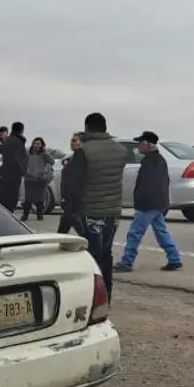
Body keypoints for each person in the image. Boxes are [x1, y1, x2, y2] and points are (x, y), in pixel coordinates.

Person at [69, 112, 129, 302]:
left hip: (91, 211)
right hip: (113, 211)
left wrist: (72, 209)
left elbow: (76, 184)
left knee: (93, 255)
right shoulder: (120, 150)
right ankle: (108, 293)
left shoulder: (84, 151)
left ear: (88, 128)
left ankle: (94, 296)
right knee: (106, 253)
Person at [115, 131, 183, 272]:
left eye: (140, 143)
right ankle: (174, 257)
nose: (138, 147)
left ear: (146, 143)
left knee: (135, 233)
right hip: (159, 202)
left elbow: (147, 185)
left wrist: (139, 201)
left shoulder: (149, 162)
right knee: (161, 231)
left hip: (148, 203)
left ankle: (127, 262)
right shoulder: (160, 160)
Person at [0, 121, 28, 212]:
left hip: (3, 175)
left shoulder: (7, 141)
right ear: (22, 130)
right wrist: (21, 171)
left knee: (4, 198)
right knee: (11, 198)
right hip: (12, 175)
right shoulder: (17, 142)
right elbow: (16, 159)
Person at [58, 132, 87, 236]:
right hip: (70, 199)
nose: (71, 143)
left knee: (72, 222)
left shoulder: (80, 157)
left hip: (73, 199)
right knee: (64, 226)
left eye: (74, 141)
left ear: (82, 143)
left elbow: (75, 179)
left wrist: (67, 197)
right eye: (71, 140)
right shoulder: (74, 157)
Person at [22, 137, 54, 221]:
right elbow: (23, 164)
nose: (36, 145)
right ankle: (25, 215)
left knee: (40, 199)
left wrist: (46, 152)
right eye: (35, 143)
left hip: (40, 180)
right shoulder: (28, 154)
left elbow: (52, 162)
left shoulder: (44, 155)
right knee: (28, 198)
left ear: (42, 145)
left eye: (38, 144)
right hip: (29, 179)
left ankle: (40, 215)